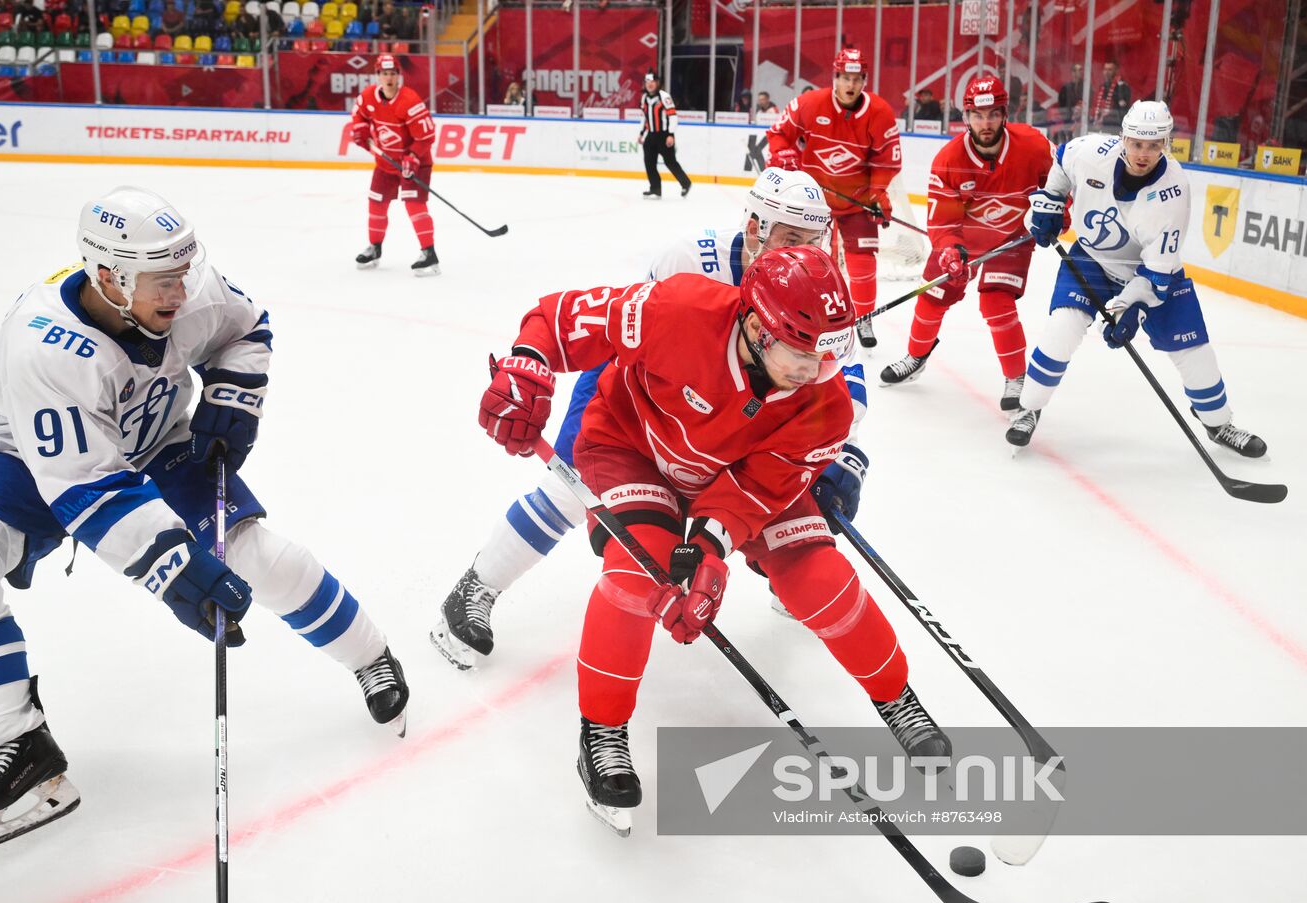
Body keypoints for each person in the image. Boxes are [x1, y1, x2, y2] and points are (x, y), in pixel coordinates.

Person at [0, 187, 410, 852]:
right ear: (109, 276)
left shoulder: (190, 290)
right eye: (161, 280)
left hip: (158, 444)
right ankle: (19, 745)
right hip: (33, 460)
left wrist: (234, 393)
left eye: (182, 271)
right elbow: (87, 486)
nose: (180, 291)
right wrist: (173, 566)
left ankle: (371, 654)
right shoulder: (42, 347)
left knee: (253, 554)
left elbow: (246, 324)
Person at [473, 245, 949, 833]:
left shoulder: (824, 405)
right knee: (635, 579)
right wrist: (528, 365)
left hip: (737, 476)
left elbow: (756, 489)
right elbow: (558, 319)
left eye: (827, 353)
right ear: (754, 326)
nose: (814, 369)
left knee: (819, 577)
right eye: (800, 352)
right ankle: (601, 732)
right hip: (634, 451)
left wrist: (708, 549)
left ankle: (894, 696)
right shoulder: (677, 308)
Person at [433, 169, 868, 670]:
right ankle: (478, 584)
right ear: (756, 228)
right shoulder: (692, 257)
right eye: (792, 238)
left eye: (816, 240)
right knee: (574, 489)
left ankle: (787, 579)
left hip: (751, 419)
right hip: (653, 396)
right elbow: (621, 333)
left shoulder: (821, 283)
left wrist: (845, 458)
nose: (807, 252)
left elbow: (839, 386)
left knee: (783, 495)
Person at [1008, 101, 1267, 457]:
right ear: (1123, 138)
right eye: (1136, 143)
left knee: (1194, 353)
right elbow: (1063, 159)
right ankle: (1029, 408)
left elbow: (1156, 274)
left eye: (1154, 145)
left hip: (1150, 275)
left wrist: (1129, 311)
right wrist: (1051, 199)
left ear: (1165, 144)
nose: (1143, 154)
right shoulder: (1090, 153)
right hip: (1093, 260)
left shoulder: (1173, 193)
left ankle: (1219, 424)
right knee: (1061, 330)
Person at [879, 76, 1055, 411]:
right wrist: (949, 251)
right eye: (978, 115)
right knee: (932, 295)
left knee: (997, 303)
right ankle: (916, 356)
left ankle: (1017, 378)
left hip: (1012, 238)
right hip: (963, 241)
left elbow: (1059, 188)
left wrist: (1059, 215)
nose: (985, 123)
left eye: (992, 114)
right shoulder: (949, 159)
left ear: (1005, 113)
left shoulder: (1033, 146)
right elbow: (943, 223)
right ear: (967, 117)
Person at [766, 47, 901, 351]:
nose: (850, 85)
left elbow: (886, 161)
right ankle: (809, 310)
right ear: (835, 77)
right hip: (812, 199)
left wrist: (878, 192)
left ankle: (864, 316)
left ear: (864, 80)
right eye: (845, 78)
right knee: (807, 259)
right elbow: (778, 133)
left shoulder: (879, 112)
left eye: (857, 79)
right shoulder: (810, 103)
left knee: (862, 261)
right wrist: (781, 154)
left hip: (857, 199)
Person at [346, 53, 440, 276]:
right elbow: (358, 116)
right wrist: (359, 130)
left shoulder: (409, 100)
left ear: (399, 76)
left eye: (393, 74)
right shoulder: (368, 97)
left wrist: (414, 156)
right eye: (384, 73)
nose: (389, 78)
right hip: (386, 163)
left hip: (415, 163)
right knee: (376, 204)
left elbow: (427, 135)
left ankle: (429, 253)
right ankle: (375, 248)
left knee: (414, 206)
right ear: (378, 75)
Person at [638, 69, 692, 199]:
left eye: (652, 81)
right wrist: (641, 133)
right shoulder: (644, 98)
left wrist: (670, 134)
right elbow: (645, 117)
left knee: (670, 162)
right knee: (649, 162)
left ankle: (686, 183)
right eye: (647, 82)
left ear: (657, 83)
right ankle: (655, 188)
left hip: (664, 135)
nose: (650, 84)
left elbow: (673, 116)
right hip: (650, 136)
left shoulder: (664, 96)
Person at [1091, 61, 1132, 131]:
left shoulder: (1122, 87)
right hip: (1100, 125)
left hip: (1114, 125)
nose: (1107, 72)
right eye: (1105, 69)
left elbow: (1123, 108)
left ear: (1116, 71)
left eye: (1110, 70)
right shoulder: (1102, 87)